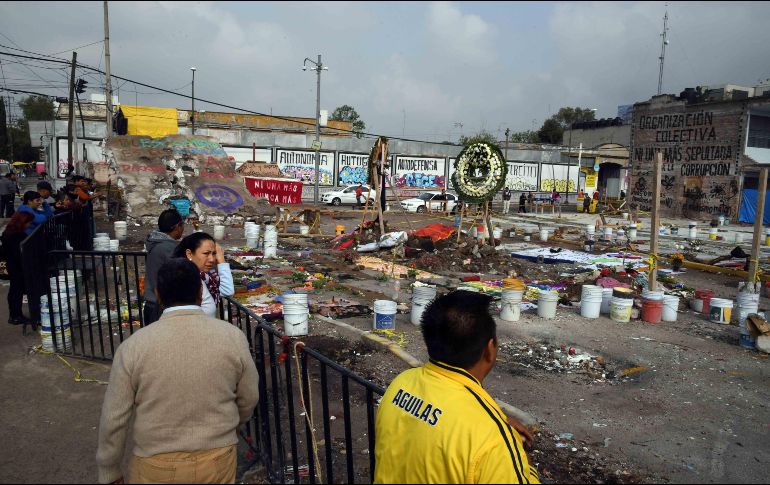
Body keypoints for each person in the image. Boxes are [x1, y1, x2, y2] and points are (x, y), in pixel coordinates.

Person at [96, 258, 259, 484]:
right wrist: (229, 427)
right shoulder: (232, 337)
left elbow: (114, 418)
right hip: (218, 459)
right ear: (200, 294)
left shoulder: (134, 346)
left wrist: (109, 469)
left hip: (155, 464)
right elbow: (249, 397)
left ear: (158, 294)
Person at [374, 290, 538, 484]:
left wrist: (498, 422)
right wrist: (521, 460)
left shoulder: (401, 383)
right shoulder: (491, 439)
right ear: (490, 349)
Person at [172, 232, 234, 318]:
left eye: (214, 253)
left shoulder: (204, 277)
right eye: (206, 254)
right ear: (189, 254)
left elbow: (227, 290)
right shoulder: (185, 279)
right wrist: (221, 261)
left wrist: (221, 259)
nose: (212, 259)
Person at [143, 209, 185, 325]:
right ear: (177, 226)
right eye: (183, 226)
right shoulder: (168, 248)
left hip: (152, 302)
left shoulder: (156, 242)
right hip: (160, 306)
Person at [1, 212, 35, 326]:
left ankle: (15, 314)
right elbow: (18, 253)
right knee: (17, 290)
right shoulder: (17, 235)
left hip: (12, 265)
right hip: (17, 266)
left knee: (15, 290)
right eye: (29, 223)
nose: (29, 225)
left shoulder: (8, 232)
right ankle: (16, 316)